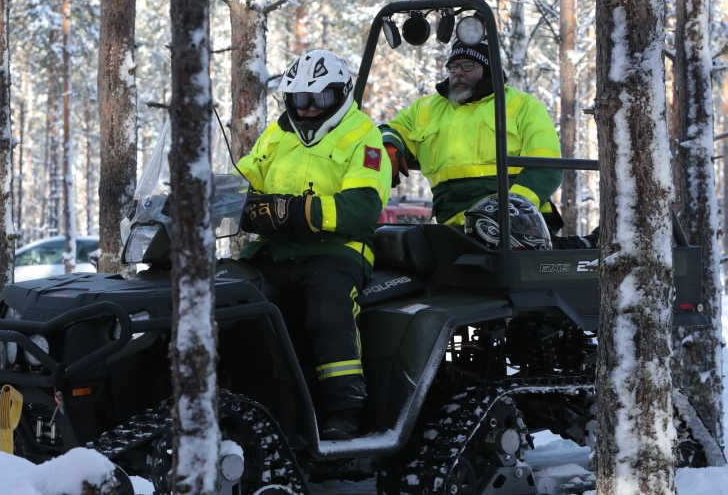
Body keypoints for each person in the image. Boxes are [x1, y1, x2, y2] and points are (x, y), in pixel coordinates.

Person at [236, 50, 391, 440]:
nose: (306, 109)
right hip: (273, 251)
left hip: (337, 251)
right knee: (231, 301)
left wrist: (294, 212)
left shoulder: (362, 134)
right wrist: (208, 197)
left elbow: (361, 207)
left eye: (317, 99)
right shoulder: (278, 133)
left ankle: (343, 410)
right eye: (298, 99)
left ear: (339, 95)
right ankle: (251, 400)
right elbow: (244, 178)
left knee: (326, 309)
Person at [380, 39, 564, 231]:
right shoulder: (426, 109)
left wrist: (511, 209)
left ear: (486, 68)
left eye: (468, 65)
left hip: (521, 225)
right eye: (453, 66)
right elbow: (394, 129)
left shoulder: (521, 106)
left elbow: (546, 166)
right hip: (454, 225)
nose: (459, 72)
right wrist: (389, 144)